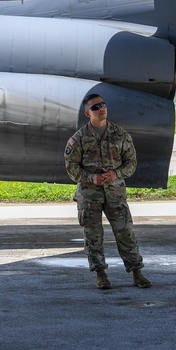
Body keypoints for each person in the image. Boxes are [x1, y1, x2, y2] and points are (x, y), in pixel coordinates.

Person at [65, 93, 153, 290]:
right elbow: (71, 167)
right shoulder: (78, 139)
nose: (101, 108)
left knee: (126, 233)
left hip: (115, 194)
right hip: (90, 196)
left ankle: (137, 272)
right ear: (88, 113)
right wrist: (92, 178)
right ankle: (100, 274)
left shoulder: (120, 134)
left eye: (103, 105)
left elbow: (131, 162)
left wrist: (116, 174)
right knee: (93, 235)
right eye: (95, 107)